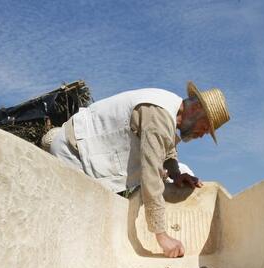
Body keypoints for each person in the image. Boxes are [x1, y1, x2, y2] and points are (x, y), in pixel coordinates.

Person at [44, 82, 230, 258]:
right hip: (73, 151)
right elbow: (152, 174)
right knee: (76, 222)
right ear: (197, 109)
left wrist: (176, 174)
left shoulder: (169, 109)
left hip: (84, 154)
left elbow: (167, 149)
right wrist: (162, 235)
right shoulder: (158, 116)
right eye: (206, 127)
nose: (203, 134)